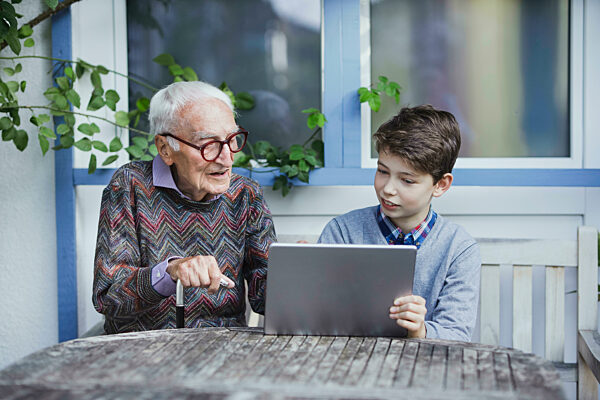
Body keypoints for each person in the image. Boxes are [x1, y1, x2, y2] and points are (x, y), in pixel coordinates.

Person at [93, 81, 276, 333]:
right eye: (208, 144)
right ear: (165, 149)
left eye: (231, 139)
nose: (227, 157)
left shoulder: (245, 194)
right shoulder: (129, 186)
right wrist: (170, 272)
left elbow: (263, 295)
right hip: (142, 354)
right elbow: (108, 295)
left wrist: (296, 275)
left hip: (224, 352)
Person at [318, 105, 480, 341]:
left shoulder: (459, 249)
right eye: (383, 171)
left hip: (424, 370)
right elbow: (318, 316)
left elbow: (456, 334)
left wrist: (419, 330)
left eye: (407, 180)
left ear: (441, 185)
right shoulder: (342, 232)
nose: (388, 189)